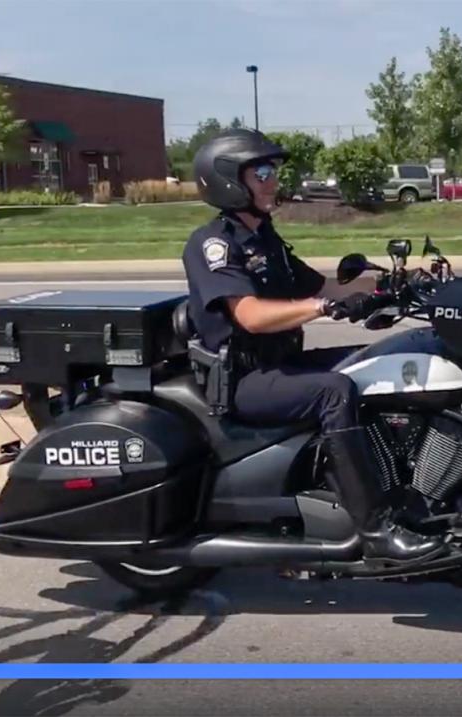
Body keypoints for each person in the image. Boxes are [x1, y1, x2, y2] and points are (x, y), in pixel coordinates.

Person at [182, 129, 446, 564]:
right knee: (334, 391)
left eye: (273, 171)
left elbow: (322, 285)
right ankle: (376, 528)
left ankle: (402, 488)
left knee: (372, 363)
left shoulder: (264, 238)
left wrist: (398, 283)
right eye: (261, 172)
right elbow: (248, 314)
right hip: (243, 381)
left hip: (280, 365)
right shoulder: (213, 244)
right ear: (231, 180)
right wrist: (320, 308)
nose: (272, 180)